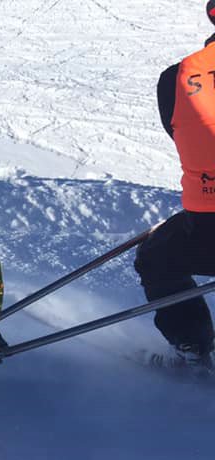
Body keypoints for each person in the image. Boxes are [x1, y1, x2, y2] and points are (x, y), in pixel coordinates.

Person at [134, 0, 215, 370]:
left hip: (207, 224)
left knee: (156, 256)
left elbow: (185, 136)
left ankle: (193, 349)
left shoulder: (177, 77)